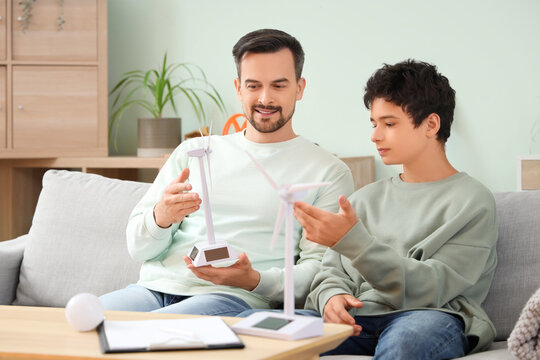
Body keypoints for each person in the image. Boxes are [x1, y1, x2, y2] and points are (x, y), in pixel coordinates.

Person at [99, 29, 354, 316]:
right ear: (238, 88)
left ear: (300, 87)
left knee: (146, 332)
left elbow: (318, 270)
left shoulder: (328, 171)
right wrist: (161, 218)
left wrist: (253, 280)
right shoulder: (193, 152)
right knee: (81, 322)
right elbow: (138, 249)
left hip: (231, 298)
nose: (265, 98)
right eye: (254, 85)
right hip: (152, 290)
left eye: (279, 86)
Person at [293, 59, 498, 359]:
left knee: (407, 341)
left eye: (389, 124)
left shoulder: (473, 201)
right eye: (374, 124)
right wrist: (330, 297)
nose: (375, 135)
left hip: (429, 317)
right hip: (359, 320)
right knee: (262, 329)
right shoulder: (365, 199)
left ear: (431, 124)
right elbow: (331, 272)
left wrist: (355, 242)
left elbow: (430, 289)